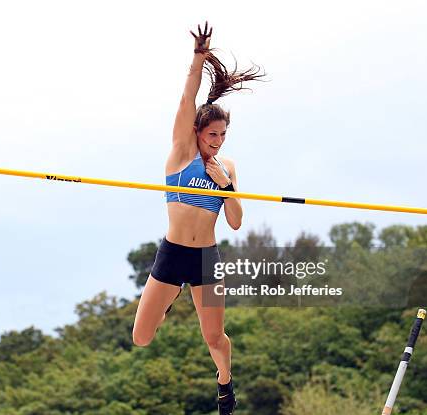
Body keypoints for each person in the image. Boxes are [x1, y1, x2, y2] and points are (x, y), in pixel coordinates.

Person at [132, 21, 264, 415]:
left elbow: (237, 222)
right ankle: (169, 300)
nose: (218, 141)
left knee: (214, 338)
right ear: (197, 131)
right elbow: (186, 98)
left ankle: (225, 384)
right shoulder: (180, 153)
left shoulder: (227, 166)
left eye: (223, 135)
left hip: (206, 258)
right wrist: (198, 59)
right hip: (173, 254)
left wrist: (226, 186)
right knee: (141, 338)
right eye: (212, 134)